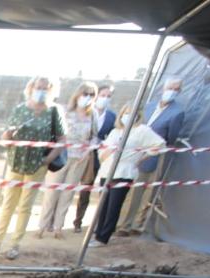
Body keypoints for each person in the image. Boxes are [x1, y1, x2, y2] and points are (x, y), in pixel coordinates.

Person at [0, 76, 64, 261]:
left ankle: (14, 245)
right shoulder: (20, 109)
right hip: (16, 161)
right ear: (31, 87)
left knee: (25, 205)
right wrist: (8, 135)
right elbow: (5, 138)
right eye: (38, 87)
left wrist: (48, 158)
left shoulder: (54, 112)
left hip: (37, 165)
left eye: (45, 88)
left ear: (51, 90)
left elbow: (62, 139)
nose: (41, 91)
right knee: (8, 203)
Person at [90, 105, 165, 248]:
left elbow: (160, 144)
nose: (128, 116)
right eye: (126, 112)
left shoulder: (142, 131)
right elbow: (103, 152)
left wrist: (141, 157)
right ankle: (98, 232)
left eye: (132, 113)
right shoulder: (115, 131)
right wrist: (107, 154)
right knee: (103, 205)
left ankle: (103, 237)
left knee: (114, 205)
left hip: (125, 172)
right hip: (108, 171)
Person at [123, 76, 185, 233]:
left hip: (157, 157)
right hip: (137, 155)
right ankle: (124, 224)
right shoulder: (149, 106)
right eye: (170, 88)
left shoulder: (177, 112)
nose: (172, 92)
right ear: (163, 88)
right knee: (133, 192)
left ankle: (138, 225)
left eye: (176, 89)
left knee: (147, 194)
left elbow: (171, 138)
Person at [37, 81, 98, 238]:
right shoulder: (64, 111)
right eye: (86, 93)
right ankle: (42, 227)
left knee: (67, 194)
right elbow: (56, 133)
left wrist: (88, 151)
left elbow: (94, 137)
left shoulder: (93, 115)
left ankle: (58, 228)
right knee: (52, 192)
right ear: (78, 94)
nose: (88, 97)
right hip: (61, 157)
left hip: (79, 159)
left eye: (92, 94)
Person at [73, 83, 116, 232]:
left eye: (108, 96)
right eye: (103, 95)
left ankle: (78, 221)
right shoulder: (85, 111)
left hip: (96, 158)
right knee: (67, 186)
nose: (105, 99)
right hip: (76, 154)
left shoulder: (112, 117)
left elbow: (112, 137)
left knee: (86, 190)